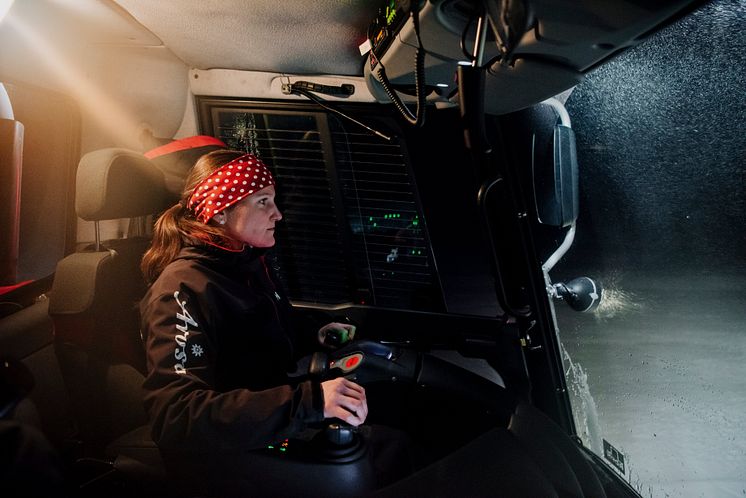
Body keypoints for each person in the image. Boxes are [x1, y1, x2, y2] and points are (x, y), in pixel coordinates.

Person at [139, 150, 368, 460]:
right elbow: (177, 416)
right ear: (219, 211)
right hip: (240, 454)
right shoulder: (180, 290)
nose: (278, 214)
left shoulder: (244, 264)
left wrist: (314, 331)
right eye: (263, 202)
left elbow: (259, 330)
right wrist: (309, 403)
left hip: (275, 424)